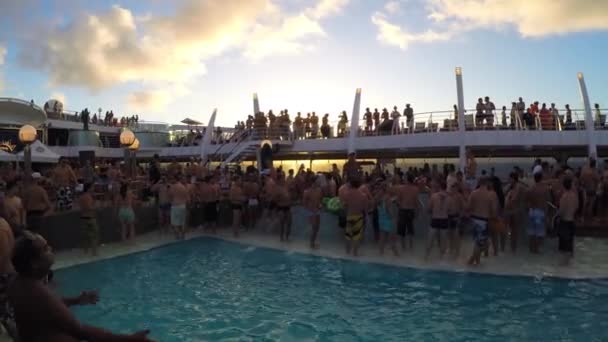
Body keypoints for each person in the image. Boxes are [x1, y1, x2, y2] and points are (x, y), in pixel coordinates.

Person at [8, 231, 155, 341]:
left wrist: (76, 300)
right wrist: (129, 339)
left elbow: (49, 308)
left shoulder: (19, 282)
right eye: (45, 249)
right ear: (34, 263)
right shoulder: (36, 291)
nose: (51, 248)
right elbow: (80, 330)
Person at [466, 177, 496, 266]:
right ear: (486, 183)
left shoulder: (473, 193)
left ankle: (476, 262)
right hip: (483, 221)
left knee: (479, 242)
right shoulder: (490, 195)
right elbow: (493, 211)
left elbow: (468, 207)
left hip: (474, 219)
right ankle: (471, 261)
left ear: (479, 183)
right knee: (480, 243)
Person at [339, 175, 369, 256]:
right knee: (356, 236)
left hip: (349, 216)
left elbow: (344, 205)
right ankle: (355, 253)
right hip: (358, 216)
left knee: (348, 235)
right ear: (359, 185)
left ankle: (347, 252)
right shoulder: (363, 195)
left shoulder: (346, 194)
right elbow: (365, 208)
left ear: (351, 185)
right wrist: (366, 216)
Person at [0, 203, 17, 340]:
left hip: (4, 275)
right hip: (6, 274)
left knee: (7, 315)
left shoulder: (0, 227)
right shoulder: (3, 222)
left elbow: (4, 254)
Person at [394, 172, 419, 251]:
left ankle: (403, 247)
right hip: (411, 210)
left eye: (405, 178)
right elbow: (416, 202)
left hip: (403, 210)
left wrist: (398, 205)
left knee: (402, 230)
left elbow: (398, 201)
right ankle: (411, 246)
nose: (403, 179)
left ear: (407, 179)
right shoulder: (415, 189)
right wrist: (417, 212)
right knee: (410, 229)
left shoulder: (401, 188)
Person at [526, 172, 550, 254]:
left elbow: (527, 202)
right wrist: (547, 216)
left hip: (531, 211)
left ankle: (531, 250)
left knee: (531, 232)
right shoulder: (545, 189)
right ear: (541, 178)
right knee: (539, 234)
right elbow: (546, 202)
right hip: (540, 212)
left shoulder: (530, 188)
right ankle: (536, 250)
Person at [557, 177, 578, 266]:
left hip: (564, 222)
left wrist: (557, 217)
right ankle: (569, 265)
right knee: (570, 245)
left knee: (563, 247)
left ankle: (563, 265)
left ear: (563, 186)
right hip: (572, 221)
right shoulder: (574, 196)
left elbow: (561, 211)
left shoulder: (564, 196)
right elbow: (576, 207)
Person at [426, 181, 449, 259]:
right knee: (443, 240)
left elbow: (428, 209)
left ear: (439, 188)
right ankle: (441, 259)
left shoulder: (434, 196)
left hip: (435, 219)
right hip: (444, 220)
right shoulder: (449, 197)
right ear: (446, 188)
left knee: (430, 239)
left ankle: (426, 257)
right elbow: (451, 210)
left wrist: (432, 211)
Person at [504, 172, 526, 252]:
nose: (508, 180)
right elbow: (504, 194)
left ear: (513, 178)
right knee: (510, 229)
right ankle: (511, 247)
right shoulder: (511, 186)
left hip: (515, 211)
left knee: (514, 230)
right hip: (510, 210)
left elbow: (514, 199)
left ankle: (513, 247)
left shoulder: (518, 187)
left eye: (510, 178)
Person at [376, 181, 398, 256]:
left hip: (381, 220)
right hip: (388, 220)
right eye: (389, 187)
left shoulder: (379, 197)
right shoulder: (387, 198)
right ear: (387, 189)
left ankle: (380, 254)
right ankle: (397, 257)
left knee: (382, 239)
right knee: (392, 240)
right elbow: (390, 212)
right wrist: (394, 219)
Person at [78, 183, 98, 256]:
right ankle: (94, 252)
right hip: (90, 218)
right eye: (92, 187)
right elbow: (89, 207)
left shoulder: (81, 197)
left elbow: (81, 208)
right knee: (94, 235)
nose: (93, 189)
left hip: (83, 218)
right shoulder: (88, 197)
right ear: (89, 188)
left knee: (85, 236)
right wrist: (95, 207)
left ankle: (85, 251)